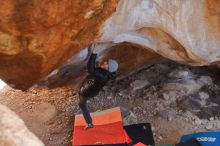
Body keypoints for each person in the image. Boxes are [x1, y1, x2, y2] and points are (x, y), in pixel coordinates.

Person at [78, 43, 119, 130]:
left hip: (87, 92)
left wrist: (94, 53)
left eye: (106, 63)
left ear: (108, 69)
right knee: (83, 97)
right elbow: (95, 71)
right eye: (106, 62)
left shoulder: (102, 75)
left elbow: (91, 69)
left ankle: (89, 124)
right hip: (92, 89)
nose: (105, 62)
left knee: (82, 104)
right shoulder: (108, 73)